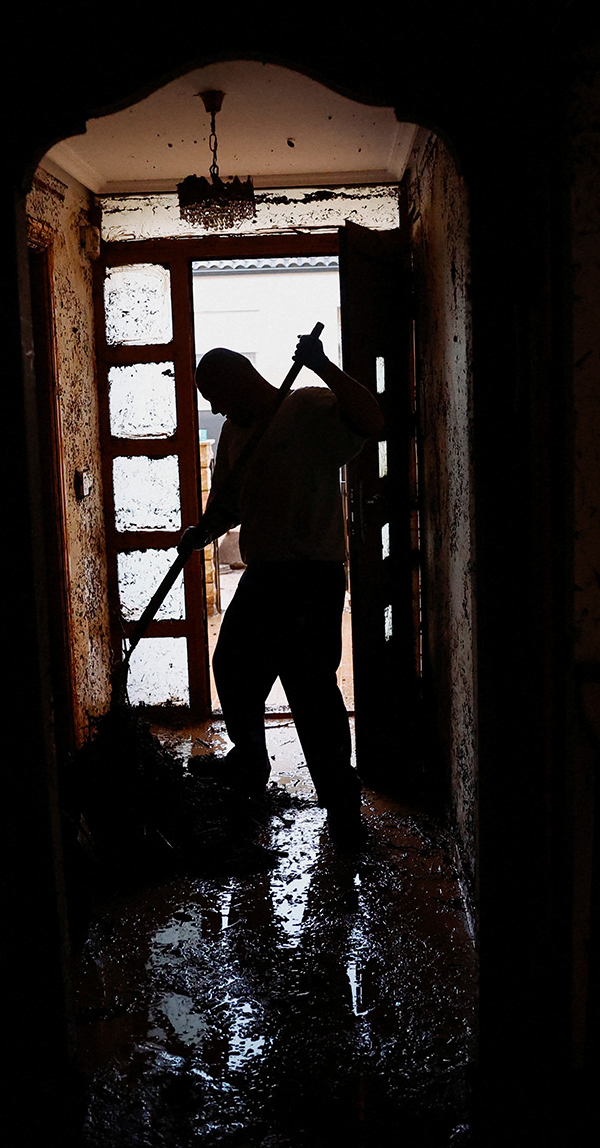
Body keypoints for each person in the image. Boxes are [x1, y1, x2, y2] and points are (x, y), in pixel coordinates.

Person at [180, 332, 385, 848]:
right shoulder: (235, 432)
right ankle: (250, 766)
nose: (212, 406)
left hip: (310, 577)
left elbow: (372, 420)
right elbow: (231, 500)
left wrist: (322, 365)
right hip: (264, 575)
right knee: (233, 667)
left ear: (240, 379)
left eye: (214, 393)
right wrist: (204, 529)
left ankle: (342, 805)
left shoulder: (308, 408)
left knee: (310, 691)